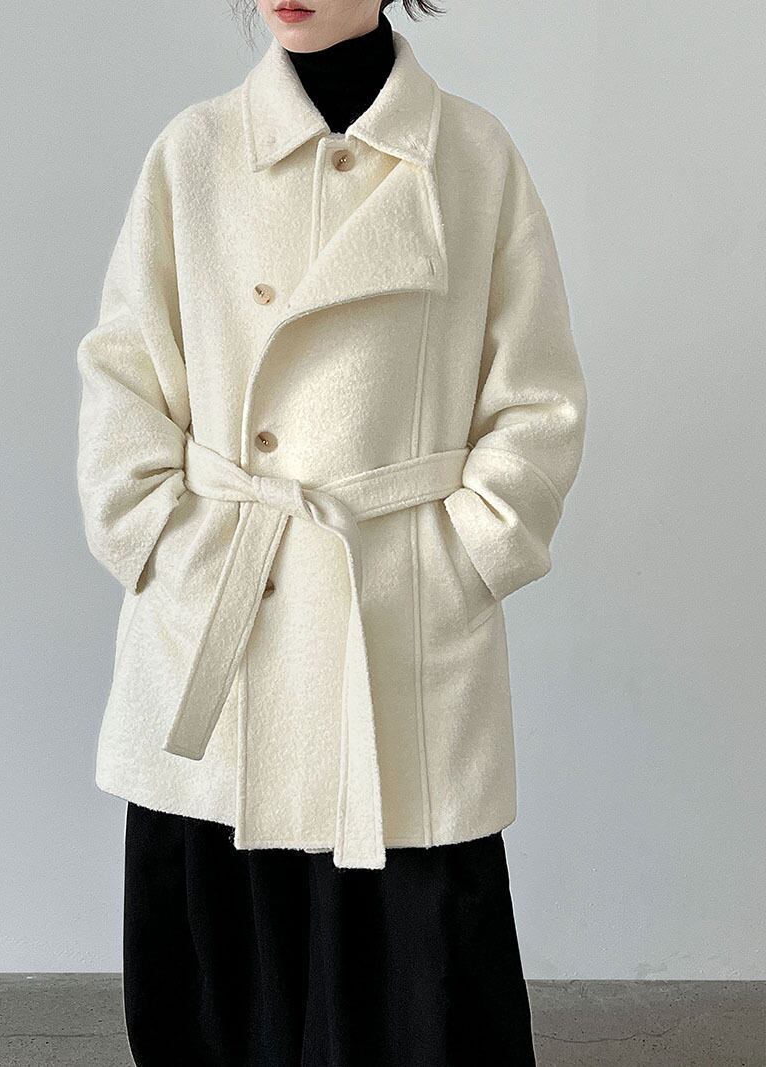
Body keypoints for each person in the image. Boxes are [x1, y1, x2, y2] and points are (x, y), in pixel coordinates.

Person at [76, 1, 587, 1063]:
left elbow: (535, 401)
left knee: (415, 1001)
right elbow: (124, 379)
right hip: (226, 616)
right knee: (221, 996)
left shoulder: (473, 157)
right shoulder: (195, 152)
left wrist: (461, 555)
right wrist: (166, 544)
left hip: (393, 620)